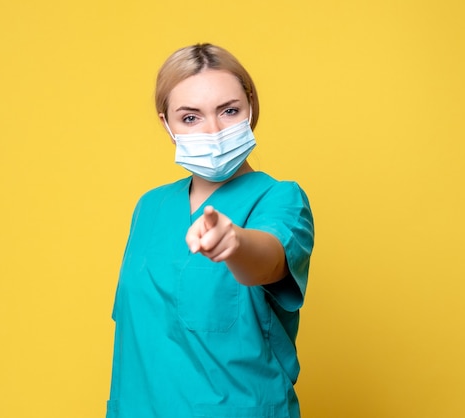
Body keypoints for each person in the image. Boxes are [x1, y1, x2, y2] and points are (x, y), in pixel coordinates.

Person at [107, 43, 314, 418]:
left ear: (250, 109)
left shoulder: (280, 198)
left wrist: (235, 243)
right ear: (167, 125)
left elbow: (267, 260)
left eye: (229, 111)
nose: (213, 130)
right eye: (191, 118)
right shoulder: (149, 207)